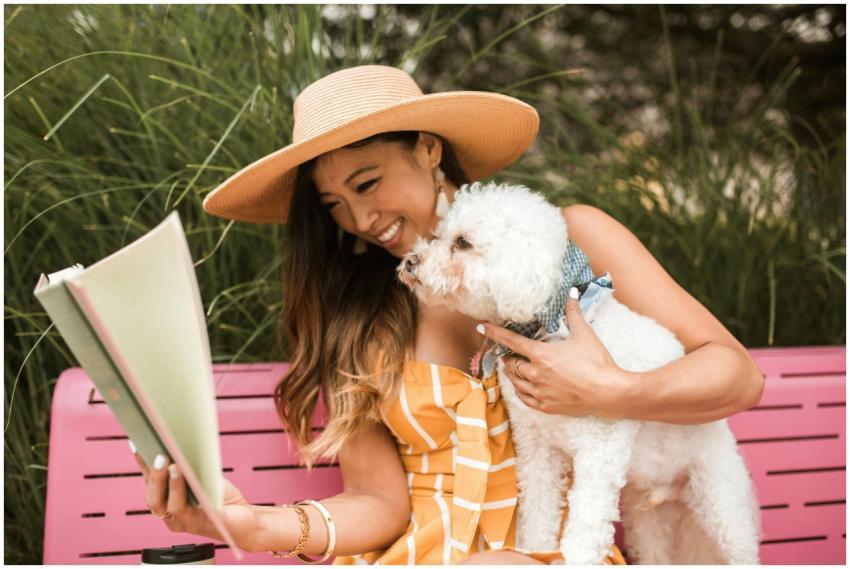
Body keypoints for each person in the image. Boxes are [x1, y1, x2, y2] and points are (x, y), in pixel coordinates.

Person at [131, 65, 764, 565]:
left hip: (558, 555)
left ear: (429, 149)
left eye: (368, 182)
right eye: (333, 204)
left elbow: (737, 376)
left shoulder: (573, 244)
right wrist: (255, 524)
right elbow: (380, 503)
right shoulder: (359, 315)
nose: (357, 220)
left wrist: (615, 391)